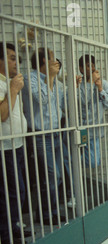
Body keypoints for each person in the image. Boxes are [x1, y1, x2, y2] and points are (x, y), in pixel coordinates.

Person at [22, 47, 70, 224]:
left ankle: (52, 212)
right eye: (52, 58)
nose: (56, 61)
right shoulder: (30, 78)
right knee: (51, 176)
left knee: (56, 177)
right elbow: (42, 99)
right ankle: (46, 215)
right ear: (44, 61)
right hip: (41, 135)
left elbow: (63, 105)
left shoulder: (55, 82)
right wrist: (50, 78)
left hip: (56, 133)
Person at [0, 43, 29, 244]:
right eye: (11, 57)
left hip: (17, 144)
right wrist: (13, 89)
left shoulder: (9, 82)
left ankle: (14, 227)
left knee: (17, 190)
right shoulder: (5, 84)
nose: (15, 62)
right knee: (9, 192)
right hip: (4, 148)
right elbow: (2, 115)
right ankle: (7, 234)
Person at [78, 55, 108, 168]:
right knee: (78, 156)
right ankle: (73, 166)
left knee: (94, 162)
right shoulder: (79, 84)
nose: (93, 69)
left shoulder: (103, 83)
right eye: (89, 66)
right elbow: (84, 101)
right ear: (81, 69)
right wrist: (90, 84)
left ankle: (74, 165)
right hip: (81, 129)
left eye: (94, 66)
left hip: (94, 131)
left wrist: (100, 89)